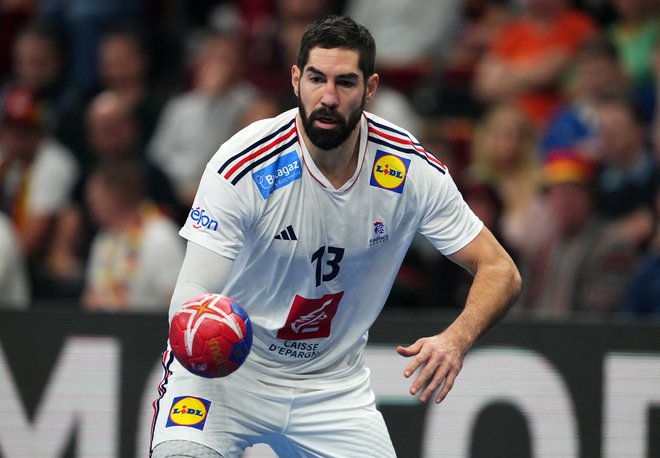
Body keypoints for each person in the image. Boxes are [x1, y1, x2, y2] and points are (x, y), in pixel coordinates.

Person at [150, 16, 521, 458]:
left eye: (345, 82)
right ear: (295, 80)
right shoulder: (244, 164)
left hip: (332, 388)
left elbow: (501, 269)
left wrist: (456, 339)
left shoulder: (409, 170)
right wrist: (201, 337)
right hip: (230, 374)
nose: (328, 98)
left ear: (371, 88)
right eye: (316, 79)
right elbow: (192, 292)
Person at [82, 160, 184, 312]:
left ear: (115, 197)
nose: (89, 204)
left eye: (94, 198)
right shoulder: (104, 237)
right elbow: (90, 295)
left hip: (150, 332)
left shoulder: (161, 235)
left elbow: (178, 302)